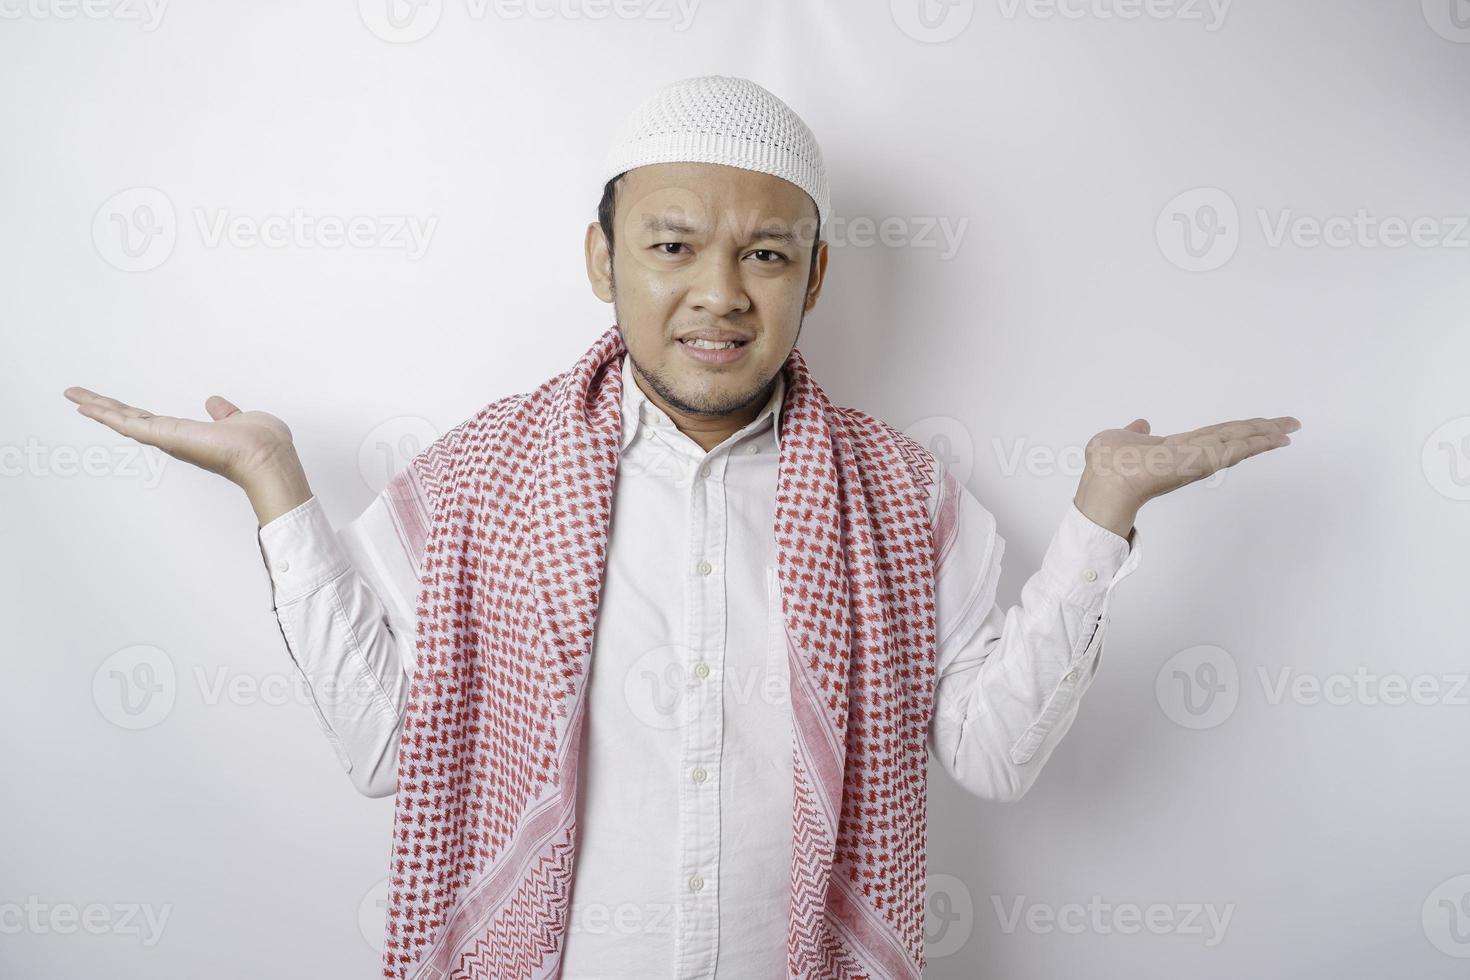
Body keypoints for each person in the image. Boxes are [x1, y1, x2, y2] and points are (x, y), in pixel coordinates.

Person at [62, 75, 1299, 980]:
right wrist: (278, 487)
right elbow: (394, 745)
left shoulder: (900, 499)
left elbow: (993, 756)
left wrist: (1102, 515)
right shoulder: (488, 477)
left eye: (766, 253)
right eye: (672, 246)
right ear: (603, 260)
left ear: (813, 277)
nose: (719, 291)